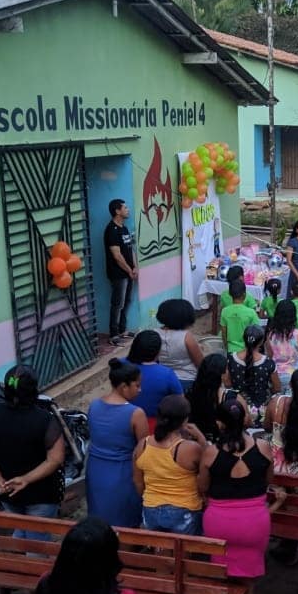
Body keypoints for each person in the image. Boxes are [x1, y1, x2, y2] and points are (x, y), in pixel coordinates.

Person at [197, 400, 275, 594]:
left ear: (219, 423)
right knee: (248, 583)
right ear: (245, 421)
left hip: (219, 521)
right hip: (253, 521)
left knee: (225, 574)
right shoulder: (263, 448)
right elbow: (268, 482)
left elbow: (202, 487)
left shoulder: (210, 452)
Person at [0, 365, 65, 532]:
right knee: (36, 543)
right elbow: (55, 459)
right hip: (40, 495)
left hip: (6, 490)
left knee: (20, 529)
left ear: (6, 388)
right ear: (34, 389)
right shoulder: (44, 420)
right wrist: (26, 479)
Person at [86, 359, 148, 528]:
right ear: (124, 386)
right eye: (137, 385)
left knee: (99, 520)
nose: (140, 390)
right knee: (125, 523)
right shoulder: (136, 413)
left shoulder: (94, 405)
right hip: (123, 474)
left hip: (96, 469)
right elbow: (143, 450)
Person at [133, 394, 205, 537]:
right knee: (183, 554)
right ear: (185, 420)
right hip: (184, 510)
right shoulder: (190, 448)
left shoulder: (143, 445)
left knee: (159, 551)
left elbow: (138, 481)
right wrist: (201, 437)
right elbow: (210, 463)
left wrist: (151, 498)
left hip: (151, 509)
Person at [124, 331, 182, 430]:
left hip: (123, 418)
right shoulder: (167, 374)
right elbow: (180, 402)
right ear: (158, 352)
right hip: (152, 425)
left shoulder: (121, 364)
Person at [189, 353, 251, 443]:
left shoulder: (190, 394)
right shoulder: (232, 397)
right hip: (225, 444)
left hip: (197, 442)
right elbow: (246, 422)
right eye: (226, 369)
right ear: (221, 375)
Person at [227, 325, 279, 425]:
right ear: (261, 342)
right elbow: (277, 388)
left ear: (243, 338)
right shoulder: (269, 363)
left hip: (237, 410)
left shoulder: (230, 359)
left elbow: (227, 383)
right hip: (261, 412)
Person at [104, 198, 137, 346]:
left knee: (127, 302)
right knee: (118, 303)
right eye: (125, 207)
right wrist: (129, 270)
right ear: (117, 211)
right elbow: (117, 255)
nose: (127, 209)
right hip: (118, 274)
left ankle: (123, 330)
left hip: (129, 272)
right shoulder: (111, 230)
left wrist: (135, 267)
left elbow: (131, 249)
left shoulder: (124, 228)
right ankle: (113, 334)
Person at [155, 299, 203, 395]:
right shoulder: (186, 337)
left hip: (162, 378)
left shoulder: (154, 334)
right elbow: (201, 364)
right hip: (187, 380)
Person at [265, 299, 298, 395]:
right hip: (296, 379)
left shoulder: (270, 335)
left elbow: (269, 357)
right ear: (294, 316)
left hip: (276, 378)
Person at [221, 279, 259, 355]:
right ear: (245, 294)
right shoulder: (251, 313)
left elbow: (223, 332)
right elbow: (257, 333)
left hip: (231, 349)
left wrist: (226, 346)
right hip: (247, 350)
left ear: (229, 293)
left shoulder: (224, 311)